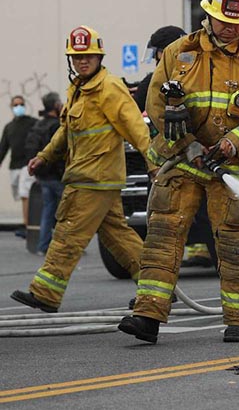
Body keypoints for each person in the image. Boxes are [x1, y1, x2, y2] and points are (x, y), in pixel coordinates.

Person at [119, 0, 239, 344]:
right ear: (209, 14)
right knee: (163, 236)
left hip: (231, 165)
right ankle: (147, 316)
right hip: (183, 160)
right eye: (225, 21)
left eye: (238, 23)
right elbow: (155, 104)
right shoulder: (179, 52)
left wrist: (233, 143)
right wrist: (188, 143)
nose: (231, 29)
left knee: (235, 241)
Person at [10, 26, 154, 313]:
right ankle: (158, 289)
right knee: (118, 236)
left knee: (67, 232)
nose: (82, 61)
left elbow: (136, 127)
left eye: (88, 56)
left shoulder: (109, 87)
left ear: (99, 57)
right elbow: (65, 132)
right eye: (76, 57)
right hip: (92, 177)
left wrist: (153, 164)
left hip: (94, 178)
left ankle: (46, 293)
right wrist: (43, 157)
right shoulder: (77, 90)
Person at [138, 25, 214, 268]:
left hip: (173, 164)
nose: (156, 60)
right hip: (200, 160)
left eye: (158, 53)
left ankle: (159, 289)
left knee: (166, 224)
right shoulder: (203, 75)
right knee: (204, 215)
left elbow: (137, 104)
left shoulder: (155, 81)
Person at [25, 92, 65, 255]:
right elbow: (59, 150)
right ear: (55, 105)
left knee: (48, 210)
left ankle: (43, 246)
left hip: (42, 176)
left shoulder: (38, 125)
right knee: (68, 211)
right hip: (56, 176)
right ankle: (66, 247)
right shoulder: (56, 125)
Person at [0, 95, 38, 238]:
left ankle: (28, 226)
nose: (18, 107)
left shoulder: (33, 123)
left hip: (27, 165)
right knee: (19, 194)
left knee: (24, 194)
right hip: (14, 166)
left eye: (21, 104)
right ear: (11, 107)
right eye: (15, 105)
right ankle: (29, 224)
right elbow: (3, 147)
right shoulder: (9, 127)